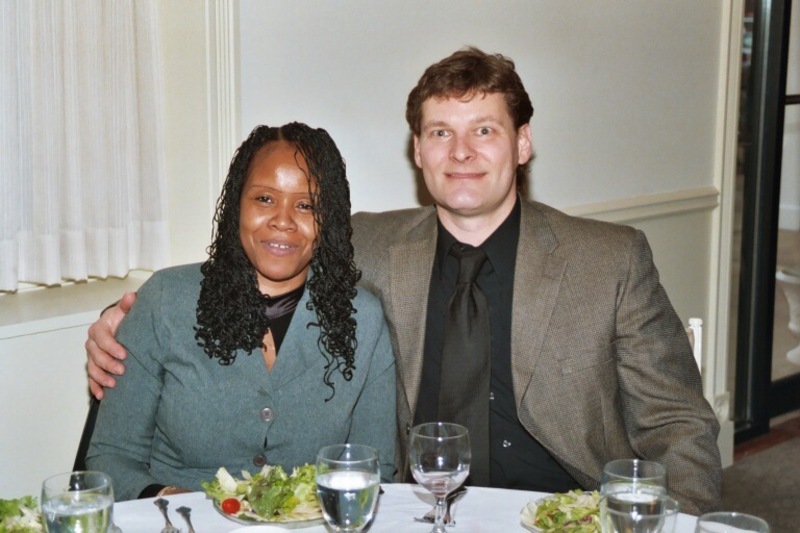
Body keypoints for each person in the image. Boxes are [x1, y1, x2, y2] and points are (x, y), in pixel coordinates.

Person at [84, 48, 721, 513]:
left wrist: (681, 522)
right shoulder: (370, 245)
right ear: (418, 150)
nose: (461, 152)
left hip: (564, 512)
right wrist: (121, 317)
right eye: (441, 132)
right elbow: (265, 257)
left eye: (484, 130)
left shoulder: (609, 260)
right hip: (419, 512)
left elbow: (678, 423)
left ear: (523, 143)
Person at [85, 123, 396, 501]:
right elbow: (110, 458)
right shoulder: (166, 300)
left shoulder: (362, 319)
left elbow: (376, 469)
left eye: (306, 205)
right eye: (265, 199)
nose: (283, 220)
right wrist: (177, 502)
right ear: (237, 205)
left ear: (327, 219)